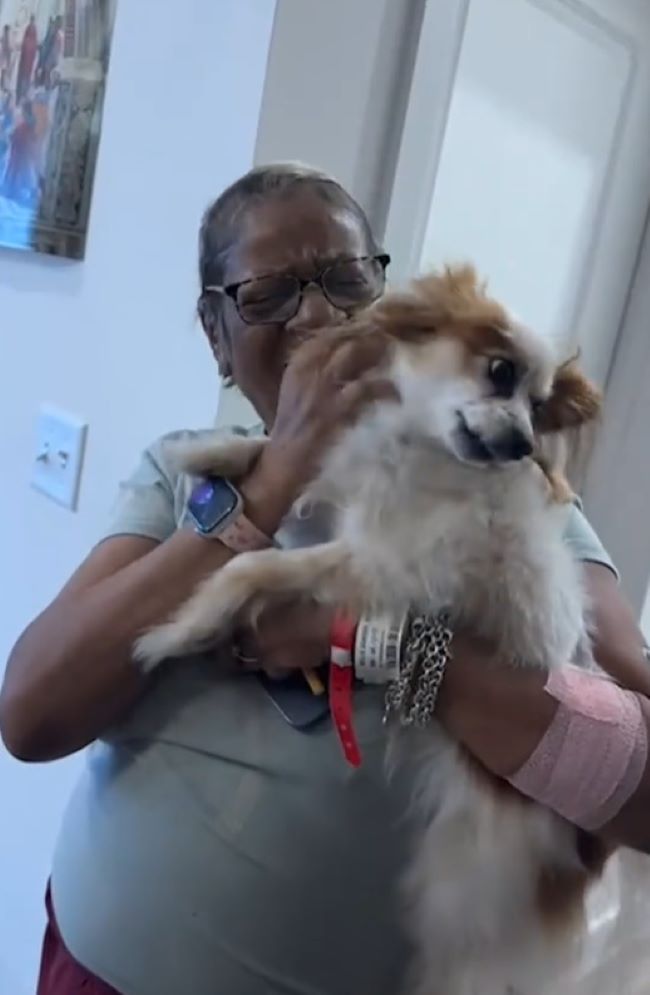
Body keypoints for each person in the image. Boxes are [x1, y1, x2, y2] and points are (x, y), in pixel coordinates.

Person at [2, 163, 650, 995]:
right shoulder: (184, 472)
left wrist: (377, 642)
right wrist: (272, 485)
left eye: (346, 279)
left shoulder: (518, 497)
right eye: (269, 292)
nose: (316, 313)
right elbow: (31, 712)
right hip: (95, 964)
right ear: (216, 338)